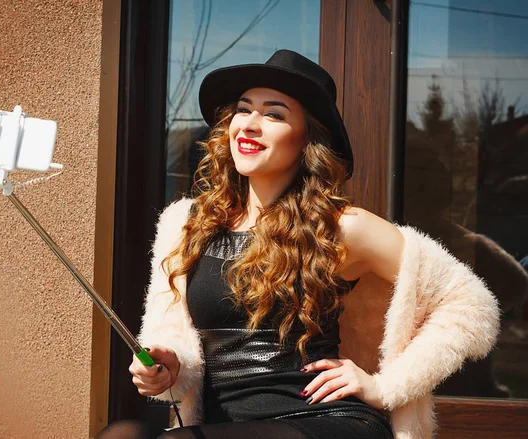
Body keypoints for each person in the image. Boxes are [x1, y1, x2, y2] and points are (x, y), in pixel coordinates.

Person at [95, 50, 500, 439]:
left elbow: (471, 306)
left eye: (274, 114)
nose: (250, 124)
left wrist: (386, 386)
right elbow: (174, 338)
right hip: (224, 424)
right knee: (121, 434)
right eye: (243, 108)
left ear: (308, 138)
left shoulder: (341, 228)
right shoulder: (185, 224)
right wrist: (165, 366)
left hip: (323, 420)